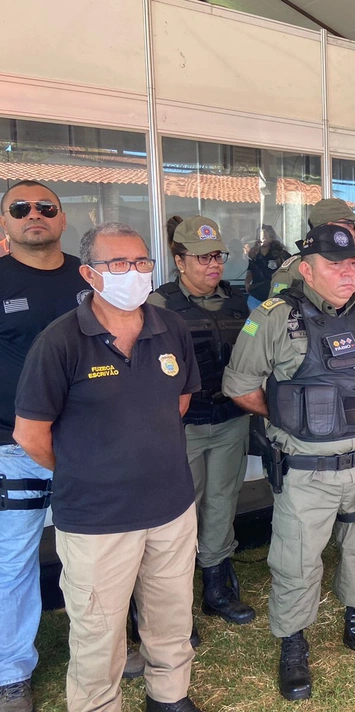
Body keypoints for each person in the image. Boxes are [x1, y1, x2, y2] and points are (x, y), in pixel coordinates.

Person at [14, 223, 202, 712]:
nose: (133, 273)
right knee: (98, 630)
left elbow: (177, 403)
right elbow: (30, 436)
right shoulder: (60, 342)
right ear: (89, 274)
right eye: (117, 264)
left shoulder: (171, 329)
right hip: (97, 519)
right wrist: (90, 467)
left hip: (171, 507)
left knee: (170, 615)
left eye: (141, 262)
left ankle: (168, 695)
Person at [223, 223, 355, 701]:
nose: (346, 273)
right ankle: (293, 644)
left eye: (352, 265)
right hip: (308, 472)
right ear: (306, 269)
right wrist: (289, 416)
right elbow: (240, 386)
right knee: (297, 562)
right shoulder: (277, 317)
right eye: (333, 265)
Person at [0, 181, 89, 712]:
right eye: (20, 208)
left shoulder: (90, 277)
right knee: (12, 560)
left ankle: (102, 649)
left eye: (46, 207)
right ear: (5, 220)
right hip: (15, 447)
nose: (34, 214)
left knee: (96, 555)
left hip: (88, 444)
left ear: (61, 218)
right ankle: (11, 671)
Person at [147, 216, 255, 627]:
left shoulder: (239, 301)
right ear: (179, 260)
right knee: (177, 512)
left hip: (229, 420)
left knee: (222, 502)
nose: (215, 264)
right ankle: (171, 605)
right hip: (181, 428)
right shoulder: (158, 306)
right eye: (204, 257)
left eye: (219, 256)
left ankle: (216, 586)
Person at [269, 199, 355, 304]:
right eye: (349, 223)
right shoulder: (293, 270)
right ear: (330, 227)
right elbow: (274, 316)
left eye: (352, 264)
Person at [245, 225, 290, 306]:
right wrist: (247, 282)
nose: (263, 238)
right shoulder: (253, 253)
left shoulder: (281, 254)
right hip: (256, 294)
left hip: (276, 296)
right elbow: (250, 270)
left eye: (265, 235)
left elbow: (291, 270)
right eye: (260, 236)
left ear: (272, 237)